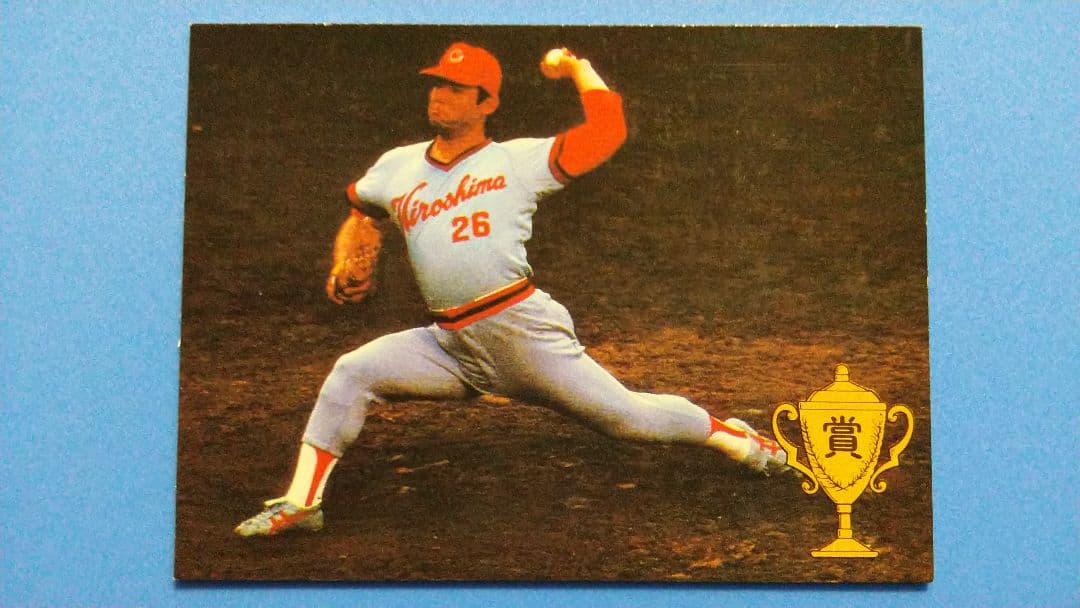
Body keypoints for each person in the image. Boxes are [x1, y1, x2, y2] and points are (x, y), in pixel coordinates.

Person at [235, 42, 787, 537]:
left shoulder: (517, 160)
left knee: (628, 419)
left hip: (522, 336)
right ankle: (301, 503)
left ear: (486, 103)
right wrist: (347, 264)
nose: (440, 95)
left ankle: (735, 438)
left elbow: (608, 132)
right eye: (437, 83)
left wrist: (579, 69)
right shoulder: (396, 166)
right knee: (353, 372)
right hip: (449, 345)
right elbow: (361, 212)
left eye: (457, 88)